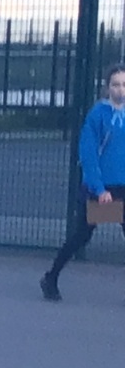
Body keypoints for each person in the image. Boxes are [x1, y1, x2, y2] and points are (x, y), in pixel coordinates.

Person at [41, 65, 125, 301]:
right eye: (116, 85)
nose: (121, 89)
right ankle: (51, 277)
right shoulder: (98, 115)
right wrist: (99, 189)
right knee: (82, 235)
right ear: (107, 88)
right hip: (103, 189)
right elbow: (88, 155)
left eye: (124, 85)